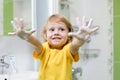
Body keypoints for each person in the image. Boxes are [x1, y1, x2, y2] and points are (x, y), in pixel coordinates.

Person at [9, 14, 99, 80]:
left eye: (62, 29)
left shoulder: (67, 50)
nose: (56, 32)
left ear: (68, 35)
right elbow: (37, 44)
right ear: (45, 34)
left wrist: (80, 40)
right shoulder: (44, 49)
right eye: (52, 30)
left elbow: (74, 46)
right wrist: (28, 38)